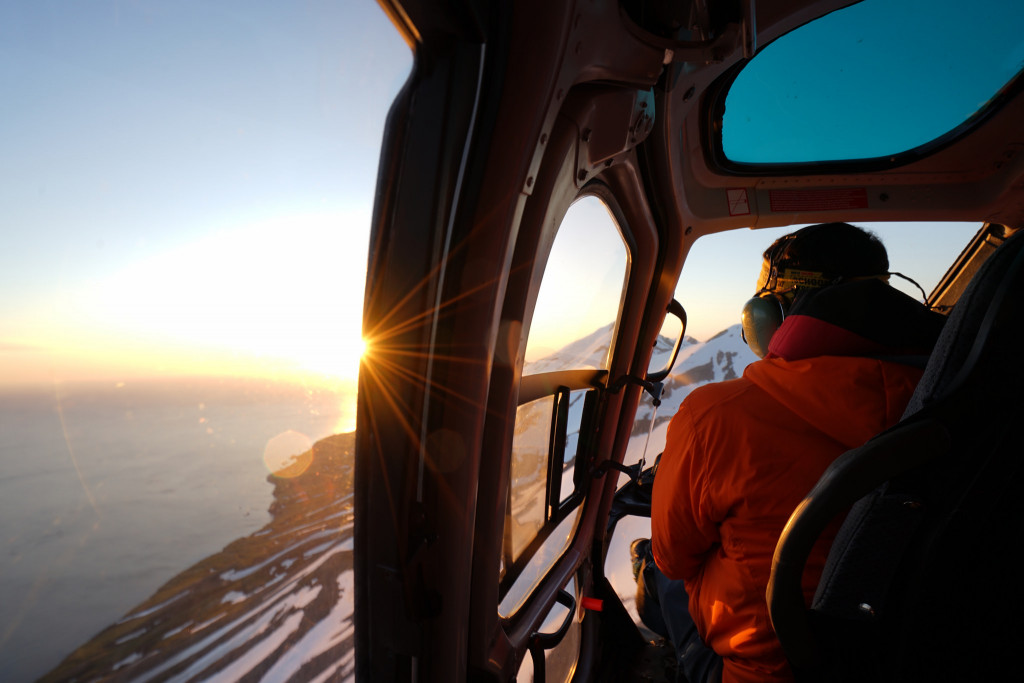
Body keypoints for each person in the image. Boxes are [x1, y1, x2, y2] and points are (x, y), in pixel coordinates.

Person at [633, 223, 946, 683]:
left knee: (655, 573)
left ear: (773, 312)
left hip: (767, 672)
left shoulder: (714, 416)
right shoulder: (956, 394)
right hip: (915, 652)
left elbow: (673, 558)